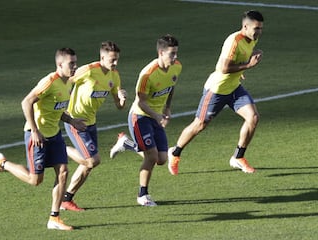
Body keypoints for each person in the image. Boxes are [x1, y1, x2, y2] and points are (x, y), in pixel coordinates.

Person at [0, 48, 85, 230]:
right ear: (59, 65)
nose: (75, 67)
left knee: (63, 172)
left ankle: (54, 218)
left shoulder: (69, 83)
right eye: (71, 64)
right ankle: (1, 163)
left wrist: (71, 121)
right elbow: (26, 102)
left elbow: (56, 108)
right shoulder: (49, 82)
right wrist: (34, 130)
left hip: (54, 135)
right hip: (37, 136)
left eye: (75, 63)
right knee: (34, 180)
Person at [167, 10, 264, 175]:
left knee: (253, 117)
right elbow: (223, 68)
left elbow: (237, 61)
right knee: (199, 124)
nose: (259, 32)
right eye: (256, 28)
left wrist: (245, 63)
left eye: (261, 28)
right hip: (217, 90)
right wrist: (247, 66)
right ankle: (175, 153)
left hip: (233, 87)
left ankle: (238, 157)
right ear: (245, 26)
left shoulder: (252, 39)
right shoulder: (234, 41)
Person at [111, 34, 182, 206]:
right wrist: (157, 115)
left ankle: (126, 144)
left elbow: (171, 87)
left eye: (176, 53)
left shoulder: (176, 67)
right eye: (172, 54)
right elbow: (141, 102)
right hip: (140, 116)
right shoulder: (147, 75)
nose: (175, 57)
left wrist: (166, 108)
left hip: (156, 116)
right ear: (161, 53)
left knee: (162, 159)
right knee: (151, 156)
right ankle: (143, 195)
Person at [60, 41, 127, 211]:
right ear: (102, 57)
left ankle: (67, 199)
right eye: (112, 60)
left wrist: (122, 98)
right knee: (92, 160)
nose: (115, 63)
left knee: (88, 165)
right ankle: (59, 147)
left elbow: (119, 107)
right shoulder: (88, 70)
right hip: (75, 120)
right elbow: (65, 82)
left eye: (117, 59)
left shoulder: (114, 76)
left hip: (91, 122)